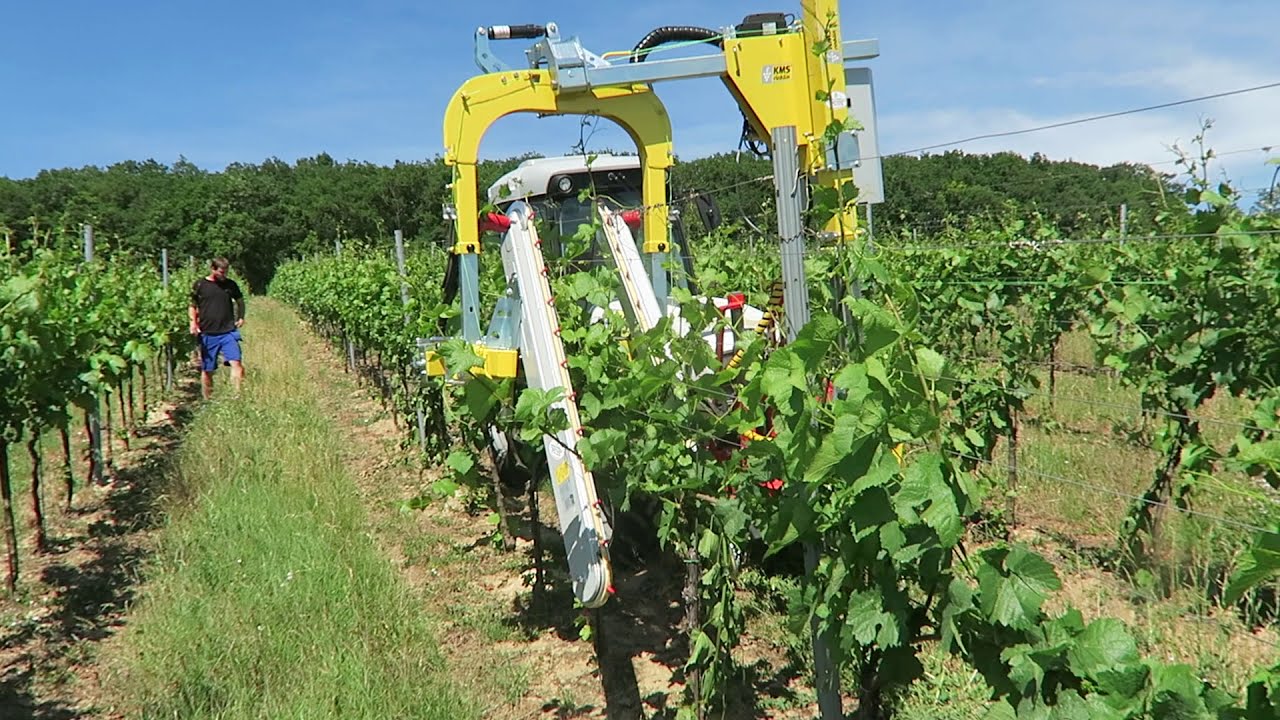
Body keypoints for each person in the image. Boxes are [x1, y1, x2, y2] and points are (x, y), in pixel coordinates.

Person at [189, 257, 245, 399]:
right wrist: (193, 323)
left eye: (226, 272)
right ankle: (208, 399)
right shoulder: (200, 285)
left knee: (236, 362)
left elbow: (240, 302)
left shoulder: (230, 285)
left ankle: (236, 397)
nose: (224, 275)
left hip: (228, 332)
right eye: (221, 272)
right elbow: (192, 306)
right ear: (213, 269)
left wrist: (241, 317)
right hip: (208, 333)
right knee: (208, 370)